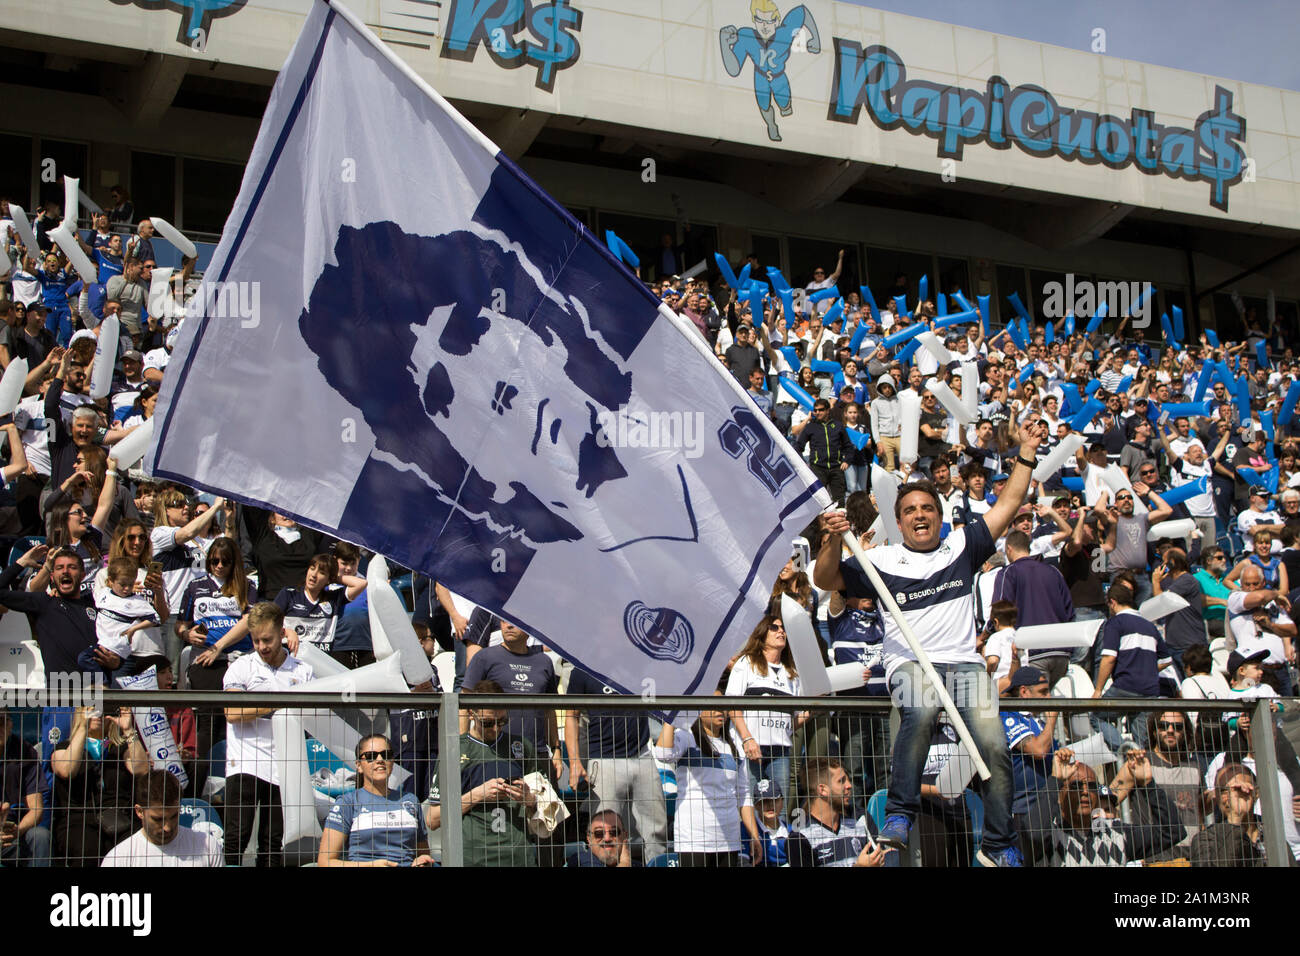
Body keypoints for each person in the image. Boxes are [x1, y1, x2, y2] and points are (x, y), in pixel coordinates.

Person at [814, 417, 1049, 866]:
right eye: (910, 511)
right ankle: (899, 814)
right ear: (898, 522)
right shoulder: (878, 558)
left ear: (940, 518)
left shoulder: (962, 547)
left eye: (928, 509)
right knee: (919, 711)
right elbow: (827, 579)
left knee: (995, 747)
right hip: (909, 664)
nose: (919, 515)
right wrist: (830, 539)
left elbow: (1011, 501)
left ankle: (999, 843)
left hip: (963, 664)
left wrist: (1027, 452)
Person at [221, 601, 315, 867]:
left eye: (267, 639)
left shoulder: (303, 671)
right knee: (235, 838)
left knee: (273, 842)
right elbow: (232, 712)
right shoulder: (241, 667)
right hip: (245, 763)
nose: (262, 647)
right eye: (256, 640)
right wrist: (281, 701)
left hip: (284, 766)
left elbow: (312, 718)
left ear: (282, 632)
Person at [425, 680, 545, 868]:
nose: (496, 728)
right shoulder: (455, 750)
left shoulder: (521, 747)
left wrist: (529, 800)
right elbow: (432, 819)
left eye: (502, 721)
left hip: (518, 857)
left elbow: (547, 809)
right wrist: (477, 795)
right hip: (473, 858)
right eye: (488, 723)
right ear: (471, 713)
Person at [565, 665, 668, 862]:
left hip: (642, 755)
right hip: (603, 760)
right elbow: (571, 715)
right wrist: (575, 761)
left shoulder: (639, 663)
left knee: (657, 831)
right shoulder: (582, 669)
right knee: (605, 834)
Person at [652, 689, 761, 867]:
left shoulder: (735, 747)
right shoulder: (687, 737)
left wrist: (754, 836)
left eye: (723, 705)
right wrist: (673, 716)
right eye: (712, 704)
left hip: (729, 838)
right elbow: (663, 753)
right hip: (694, 839)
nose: (720, 710)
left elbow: (744, 795)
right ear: (698, 711)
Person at [1045, 747, 1183, 867]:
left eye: (1092, 786)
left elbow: (1172, 832)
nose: (1085, 792)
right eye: (1076, 786)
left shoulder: (1116, 832)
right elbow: (1031, 832)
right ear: (1060, 793)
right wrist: (1055, 779)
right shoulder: (1049, 835)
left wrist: (1148, 784)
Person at [50, 705, 150, 865]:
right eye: (92, 709)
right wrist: (82, 728)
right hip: (79, 820)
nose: (98, 714)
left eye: (104, 709)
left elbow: (141, 769)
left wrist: (129, 730)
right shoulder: (63, 748)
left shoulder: (121, 748)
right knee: (87, 848)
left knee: (133, 847)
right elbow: (66, 770)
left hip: (120, 818)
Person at [462, 620, 562, 779]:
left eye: (514, 622)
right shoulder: (485, 657)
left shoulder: (544, 661)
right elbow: (464, 704)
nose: (508, 626)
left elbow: (549, 710)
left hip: (537, 753)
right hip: (495, 753)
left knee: (547, 803)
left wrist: (556, 749)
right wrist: (463, 747)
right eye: (503, 621)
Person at [725, 612, 806, 802]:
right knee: (750, 803)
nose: (781, 631)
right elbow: (732, 705)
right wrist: (747, 739)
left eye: (783, 628)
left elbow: (793, 721)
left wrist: (813, 710)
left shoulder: (792, 674)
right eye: (774, 627)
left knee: (780, 807)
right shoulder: (747, 663)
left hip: (781, 751)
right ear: (762, 634)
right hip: (751, 747)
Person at [319, 734, 433, 867]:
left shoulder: (411, 801)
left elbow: (423, 853)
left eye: (386, 754)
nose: (380, 759)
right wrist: (370, 865)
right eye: (370, 756)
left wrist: (422, 861)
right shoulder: (347, 803)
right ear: (359, 766)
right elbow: (325, 862)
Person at [1091, 579, 1172, 750]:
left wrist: (1098, 689)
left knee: (1097, 716)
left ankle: (1125, 752)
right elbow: (1166, 660)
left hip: (1127, 685)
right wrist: (1148, 669)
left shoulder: (1115, 622)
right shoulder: (1150, 626)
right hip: (1150, 689)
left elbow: (1109, 658)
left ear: (1112, 602)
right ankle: (1137, 759)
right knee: (1142, 740)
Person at [991, 530, 1075, 684]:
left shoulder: (1009, 572)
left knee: (1034, 705)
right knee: (1050, 704)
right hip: (1062, 652)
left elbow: (1000, 611)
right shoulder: (1054, 572)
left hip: (1031, 651)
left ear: (1009, 549)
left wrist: (984, 636)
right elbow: (1069, 612)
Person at [1000, 666, 1062, 867]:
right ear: (1024, 691)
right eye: (1043, 692)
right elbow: (1038, 750)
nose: (1049, 697)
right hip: (1024, 812)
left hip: (1048, 807)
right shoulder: (1009, 716)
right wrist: (1053, 718)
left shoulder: (1038, 722)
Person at [101, 769, 223, 867]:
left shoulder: (208, 846)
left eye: (174, 816)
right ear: (139, 811)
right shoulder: (119, 858)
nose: (168, 827)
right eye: (158, 819)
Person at [787, 757, 893, 867]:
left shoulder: (860, 817)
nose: (849, 785)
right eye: (841, 781)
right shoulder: (800, 837)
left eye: (847, 780)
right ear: (822, 790)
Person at [273, 551, 367, 654]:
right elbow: (268, 622)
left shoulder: (333, 598)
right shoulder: (289, 594)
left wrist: (335, 578)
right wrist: (287, 632)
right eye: (312, 568)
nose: (313, 575)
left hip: (321, 663)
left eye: (321, 572)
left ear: (329, 579)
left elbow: (361, 583)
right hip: (292, 661)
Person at [1224, 564, 1295, 695]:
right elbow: (1259, 598)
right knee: (1255, 711)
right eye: (1247, 584)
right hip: (1254, 672)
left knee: (1286, 713)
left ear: (1263, 583)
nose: (1251, 588)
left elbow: (1292, 630)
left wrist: (1270, 625)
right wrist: (1276, 594)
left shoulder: (1273, 603)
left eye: (1255, 584)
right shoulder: (1236, 598)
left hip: (1280, 670)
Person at [0, 704, 49, 866]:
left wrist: (17, 831)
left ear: (10, 724)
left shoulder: (25, 751)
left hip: (15, 830)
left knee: (40, 836)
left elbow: (37, 809)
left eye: (1, 722)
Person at [1151, 548, 1207, 673]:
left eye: (1164, 562)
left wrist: (1155, 581)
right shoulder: (1177, 582)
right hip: (1176, 644)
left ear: (1172, 563)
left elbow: (1160, 603)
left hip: (1189, 645)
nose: (1162, 566)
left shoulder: (1186, 580)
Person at [791, 398, 851, 504]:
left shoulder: (838, 425)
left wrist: (847, 461)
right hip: (818, 468)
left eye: (821, 410)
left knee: (839, 500)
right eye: (815, 410)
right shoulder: (811, 427)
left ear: (828, 410)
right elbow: (798, 446)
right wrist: (803, 464)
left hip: (836, 468)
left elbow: (848, 446)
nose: (817, 412)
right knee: (819, 501)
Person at [564, 809, 635, 867]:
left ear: (625, 836)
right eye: (599, 833)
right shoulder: (580, 860)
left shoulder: (636, 864)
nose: (607, 838)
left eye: (614, 832)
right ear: (589, 839)